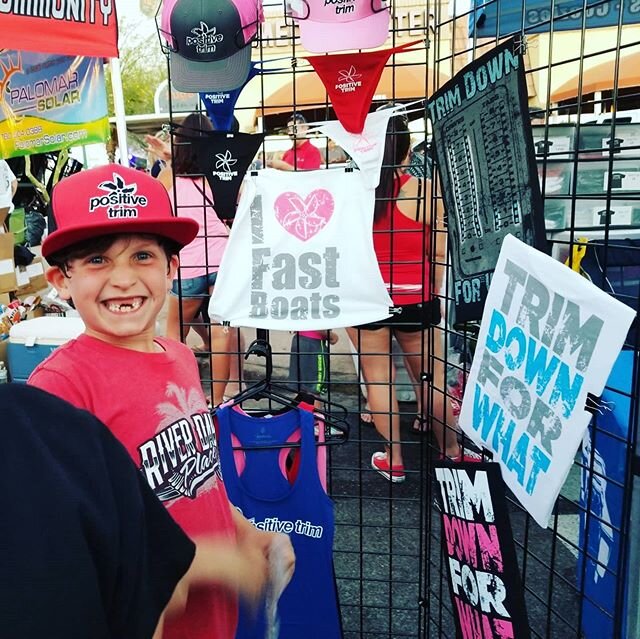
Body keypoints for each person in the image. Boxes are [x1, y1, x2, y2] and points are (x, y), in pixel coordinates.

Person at [28, 164, 294, 639]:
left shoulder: (179, 357)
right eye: (96, 260)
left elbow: (195, 481)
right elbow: (71, 551)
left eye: (143, 255)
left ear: (173, 268)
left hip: (213, 621)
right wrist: (210, 564)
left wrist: (244, 529)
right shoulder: (60, 388)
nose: (124, 278)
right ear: (60, 279)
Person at [2, 384, 195, 638]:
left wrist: (239, 530)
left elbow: (204, 475)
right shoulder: (57, 390)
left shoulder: (50, 426)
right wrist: (220, 563)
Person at [347, 110, 476, 483]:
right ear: (406, 151)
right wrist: (430, 291)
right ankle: (451, 453)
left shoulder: (354, 192)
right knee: (430, 378)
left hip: (369, 298)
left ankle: (394, 459)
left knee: (378, 380)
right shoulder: (424, 188)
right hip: (416, 298)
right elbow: (439, 252)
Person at [157, 112, 232, 405]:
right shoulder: (222, 175)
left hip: (188, 262)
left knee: (175, 333)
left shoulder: (168, 178)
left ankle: (180, 395)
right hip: (223, 261)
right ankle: (218, 400)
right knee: (222, 334)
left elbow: (156, 213)